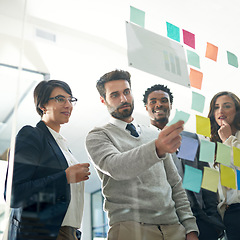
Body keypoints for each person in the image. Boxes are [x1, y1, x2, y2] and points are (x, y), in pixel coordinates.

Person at [85, 69, 199, 240]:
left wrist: (190, 228)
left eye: (126, 92)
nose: (123, 99)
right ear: (103, 100)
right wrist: (157, 148)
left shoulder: (154, 134)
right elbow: (116, 167)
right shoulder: (98, 136)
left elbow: (175, 184)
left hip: (174, 229)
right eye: (114, 95)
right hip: (129, 228)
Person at [4, 80, 90, 240]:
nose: (68, 105)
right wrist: (65, 177)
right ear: (42, 105)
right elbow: (14, 194)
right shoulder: (31, 135)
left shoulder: (63, 145)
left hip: (69, 233)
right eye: (60, 99)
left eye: (70, 100)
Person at [143, 84, 225, 240]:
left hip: (199, 217)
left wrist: (213, 218)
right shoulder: (142, 142)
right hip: (165, 221)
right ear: (146, 107)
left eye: (163, 100)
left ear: (170, 105)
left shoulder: (189, 139)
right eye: (153, 101)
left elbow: (206, 178)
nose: (158, 104)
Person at [208, 91, 240, 240]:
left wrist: (228, 139)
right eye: (216, 107)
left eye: (226, 106)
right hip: (227, 216)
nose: (220, 111)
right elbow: (209, 185)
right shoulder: (210, 146)